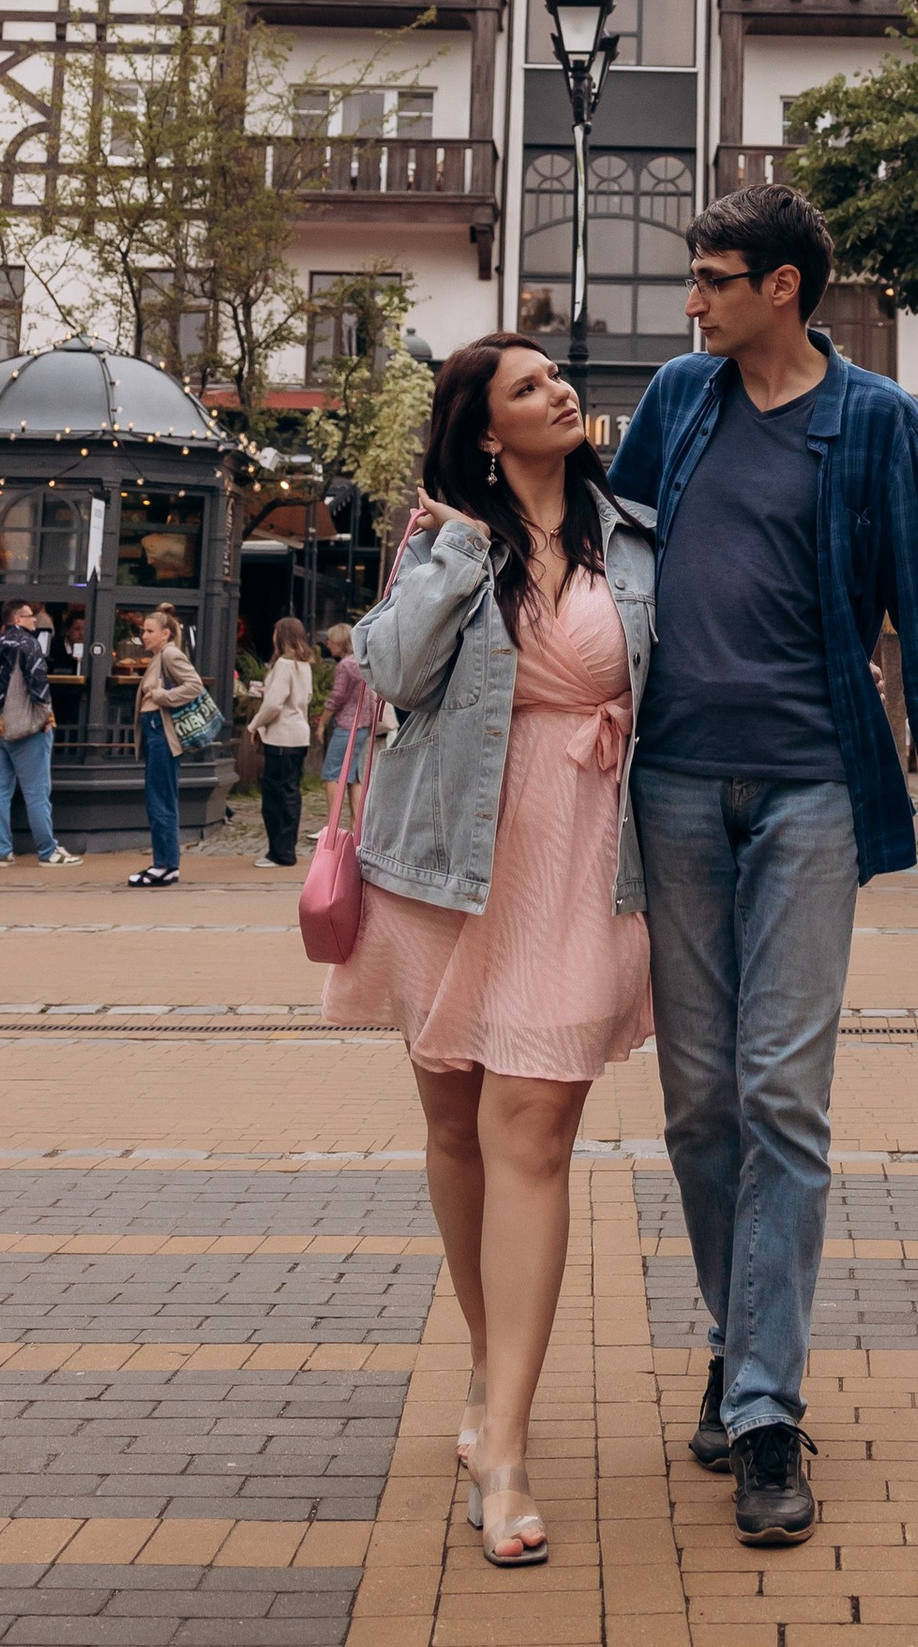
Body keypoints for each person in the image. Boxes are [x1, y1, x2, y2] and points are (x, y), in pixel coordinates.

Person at [611, 184, 918, 1550]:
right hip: (667, 786)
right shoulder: (679, 400)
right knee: (700, 1103)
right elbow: (612, 578)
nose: (693, 301)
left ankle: (765, 1402)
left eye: (714, 279)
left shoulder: (877, 424)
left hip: (813, 791)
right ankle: (741, 1334)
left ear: (785, 289)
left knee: (783, 1091)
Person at [331, 337, 657, 1566]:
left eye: (557, 377)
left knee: (534, 1129)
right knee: (459, 1127)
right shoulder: (442, 543)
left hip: (585, 856)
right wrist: (460, 548)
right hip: (445, 863)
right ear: (482, 431)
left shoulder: (634, 539)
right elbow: (389, 672)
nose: (559, 392)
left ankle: (506, 1442)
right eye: (526, 387)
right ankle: (482, 1367)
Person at [0, 601, 79, 867]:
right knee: (37, 791)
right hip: (26, 728)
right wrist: (45, 717)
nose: (36, 622)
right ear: (19, 619)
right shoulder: (29, 644)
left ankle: (2, 852)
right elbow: (38, 684)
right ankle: (47, 851)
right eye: (31, 617)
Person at [131, 606, 205, 886]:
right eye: (143, 630)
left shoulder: (171, 654)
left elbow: (194, 685)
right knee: (159, 798)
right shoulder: (160, 655)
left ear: (165, 633)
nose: (144, 636)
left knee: (160, 799)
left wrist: (162, 696)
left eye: (149, 631)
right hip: (155, 732)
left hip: (161, 732)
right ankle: (165, 864)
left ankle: (165, 865)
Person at [249, 616, 317, 869]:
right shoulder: (304, 664)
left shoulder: (283, 665)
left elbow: (274, 703)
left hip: (281, 736)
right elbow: (305, 697)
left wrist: (254, 723)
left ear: (281, 635)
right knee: (291, 794)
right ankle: (286, 849)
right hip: (299, 734)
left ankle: (279, 852)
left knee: (275, 796)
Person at [317, 622, 380, 784]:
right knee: (353, 776)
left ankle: (332, 810)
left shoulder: (344, 666)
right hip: (363, 726)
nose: (328, 644)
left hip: (345, 725)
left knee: (331, 773)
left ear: (340, 642)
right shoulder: (362, 664)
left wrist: (322, 723)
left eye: (331, 640)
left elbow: (336, 697)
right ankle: (355, 811)